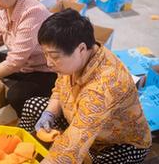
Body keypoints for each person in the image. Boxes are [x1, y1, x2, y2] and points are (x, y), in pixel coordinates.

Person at [20, 9, 152, 164]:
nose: (48, 62)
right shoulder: (74, 60)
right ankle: (26, 150)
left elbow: (74, 143)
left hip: (116, 143)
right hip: (80, 120)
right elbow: (60, 88)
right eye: (45, 54)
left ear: (81, 49)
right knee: (32, 106)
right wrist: (49, 113)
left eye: (54, 56)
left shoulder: (105, 86)